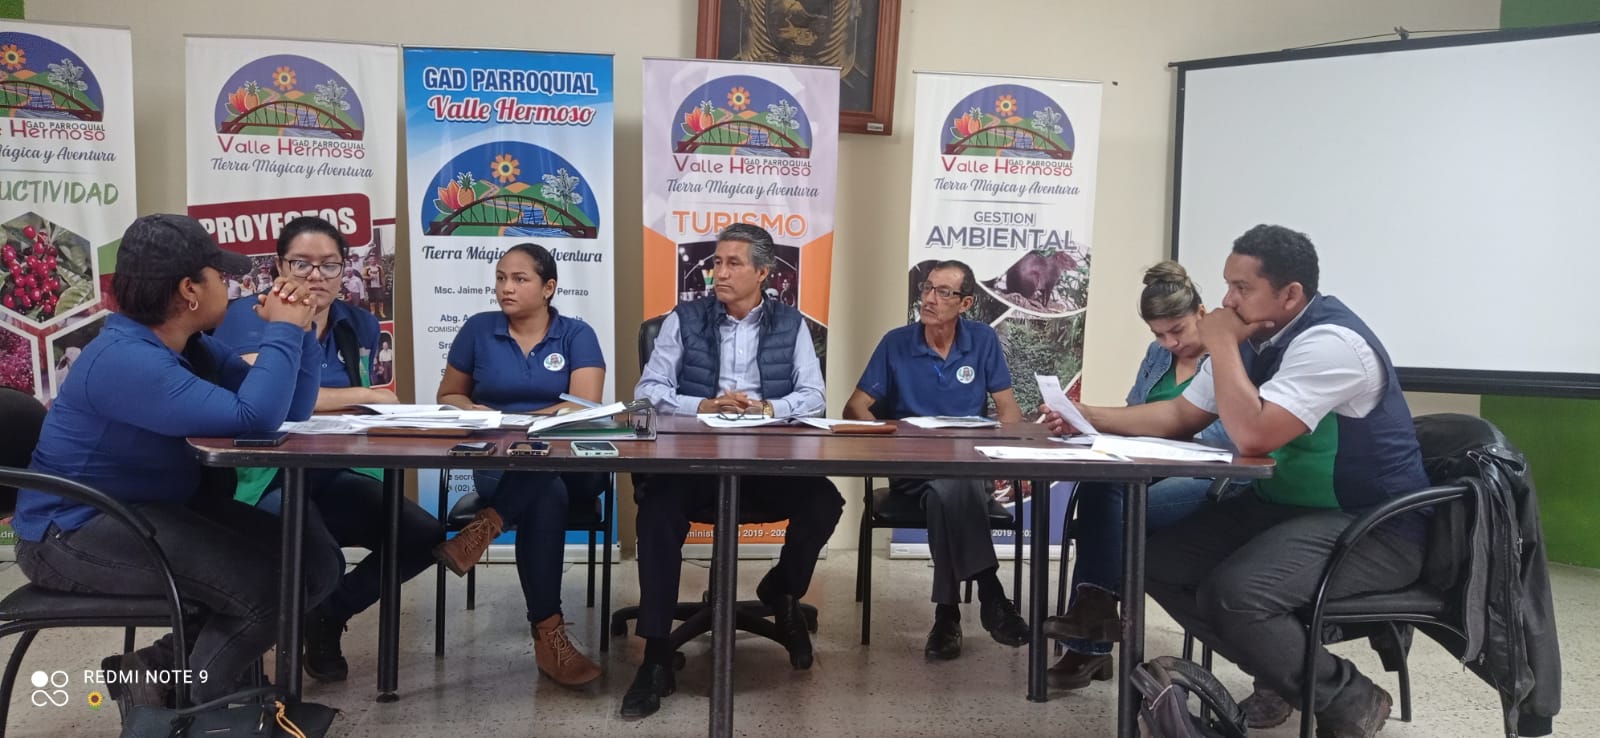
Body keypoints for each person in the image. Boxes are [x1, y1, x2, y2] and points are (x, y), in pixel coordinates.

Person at [1043, 225, 1428, 738]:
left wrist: (1221, 342)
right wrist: (1086, 416)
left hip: (1374, 524)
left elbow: (1253, 436)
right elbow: (1179, 414)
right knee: (1152, 561)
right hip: (1286, 508)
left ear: (1290, 294)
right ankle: (1284, 675)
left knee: (1237, 593)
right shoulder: (1258, 338)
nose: (1227, 300)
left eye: (1242, 288)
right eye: (1228, 284)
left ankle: (1345, 694)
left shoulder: (1331, 343)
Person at [11, 214, 343, 709]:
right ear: (189, 289)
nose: (228, 288)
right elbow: (253, 417)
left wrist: (302, 332)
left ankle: (152, 674)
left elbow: (289, 408)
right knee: (265, 590)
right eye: (219, 276)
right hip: (71, 532)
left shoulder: (193, 347)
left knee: (314, 562)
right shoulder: (124, 359)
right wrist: (282, 328)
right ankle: (195, 708)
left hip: (144, 511)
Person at [625, 223, 844, 719]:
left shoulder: (792, 325)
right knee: (657, 513)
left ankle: (782, 589)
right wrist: (703, 403)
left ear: (763, 273)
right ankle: (656, 655)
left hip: (765, 464)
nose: (719, 273)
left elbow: (813, 397)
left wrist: (768, 408)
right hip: (693, 465)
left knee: (824, 501)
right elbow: (648, 391)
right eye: (716, 263)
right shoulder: (683, 319)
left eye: (733, 263)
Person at [212, 215, 444, 683]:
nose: (316, 276)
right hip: (265, 477)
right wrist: (362, 395)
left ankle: (328, 614)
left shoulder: (357, 324)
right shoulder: (245, 316)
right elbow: (263, 396)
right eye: (302, 264)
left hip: (336, 470)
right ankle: (269, 641)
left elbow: (364, 406)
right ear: (280, 267)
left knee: (424, 537)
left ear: (344, 270)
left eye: (329, 265)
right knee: (318, 555)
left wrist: (365, 400)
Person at [1042, 261, 1234, 689]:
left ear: (1201, 313)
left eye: (1177, 330)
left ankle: (1089, 640)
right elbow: (1136, 413)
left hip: (1208, 475)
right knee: (1100, 482)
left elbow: (1222, 436)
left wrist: (1149, 431)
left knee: (1121, 512)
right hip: (1150, 465)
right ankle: (1093, 619)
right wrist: (1082, 423)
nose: (1169, 343)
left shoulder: (1228, 357)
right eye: (1158, 335)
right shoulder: (1157, 355)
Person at [431, 242, 608, 688]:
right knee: (545, 493)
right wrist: (474, 411)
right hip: (502, 461)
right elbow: (448, 395)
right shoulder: (479, 329)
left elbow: (584, 406)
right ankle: (550, 636)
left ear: (548, 288)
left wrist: (521, 420)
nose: (505, 288)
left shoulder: (576, 334)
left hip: (572, 463)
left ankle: (486, 526)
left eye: (519, 279)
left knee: (549, 474)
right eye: (500, 278)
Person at [841, 259, 1030, 661]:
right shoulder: (896, 343)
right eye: (926, 288)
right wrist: (893, 444)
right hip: (913, 469)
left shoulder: (982, 341)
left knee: (950, 490)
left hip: (968, 470)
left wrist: (1006, 453)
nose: (929, 298)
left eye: (943, 292)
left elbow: (1008, 409)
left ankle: (948, 615)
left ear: (965, 303)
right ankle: (991, 592)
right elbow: (855, 407)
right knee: (952, 487)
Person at [363, 253, 387, 320]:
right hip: (370, 286)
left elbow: (382, 276)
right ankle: (372, 311)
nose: (372, 260)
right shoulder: (367, 268)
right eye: (371, 259)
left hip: (379, 286)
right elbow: (363, 276)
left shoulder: (379, 267)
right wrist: (369, 278)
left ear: (375, 260)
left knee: (380, 298)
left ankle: (381, 312)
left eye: (374, 259)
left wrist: (384, 285)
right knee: (371, 299)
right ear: (369, 260)